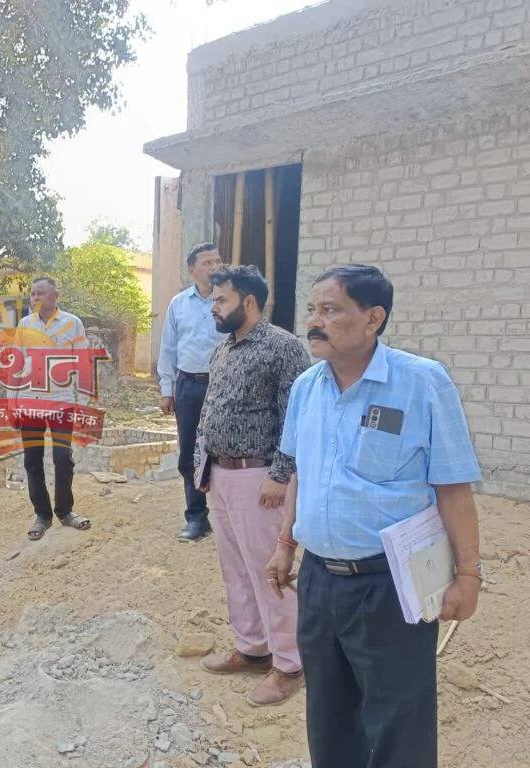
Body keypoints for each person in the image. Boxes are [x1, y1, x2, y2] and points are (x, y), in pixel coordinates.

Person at [267, 264, 482, 767]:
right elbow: (301, 472)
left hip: (391, 583)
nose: (314, 321)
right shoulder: (306, 387)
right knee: (329, 714)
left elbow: (452, 487)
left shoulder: (422, 383)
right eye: (312, 310)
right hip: (319, 581)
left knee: (399, 720)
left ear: (373, 317)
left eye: (330, 309)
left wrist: (468, 576)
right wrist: (284, 545)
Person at [195, 265, 311, 706]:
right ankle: (252, 647)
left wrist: (280, 476)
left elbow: (296, 419)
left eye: (221, 299)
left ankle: (290, 663)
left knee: (269, 573)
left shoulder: (282, 347)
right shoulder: (223, 350)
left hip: (259, 478)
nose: (213, 307)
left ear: (248, 302)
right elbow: (210, 411)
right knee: (237, 570)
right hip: (222, 475)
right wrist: (203, 468)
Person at [157, 243, 226, 541]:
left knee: (225, 451)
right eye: (207, 262)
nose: (214, 266)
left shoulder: (229, 299)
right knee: (189, 453)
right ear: (192, 270)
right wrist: (166, 389)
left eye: (217, 261)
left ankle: (227, 515)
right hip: (188, 385)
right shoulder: (179, 303)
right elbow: (168, 348)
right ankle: (197, 517)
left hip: (224, 384)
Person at [16, 277, 92, 541]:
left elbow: (83, 365)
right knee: (32, 460)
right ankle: (42, 515)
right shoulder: (24, 325)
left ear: (55, 296)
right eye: (32, 293)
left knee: (62, 458)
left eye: (40, 293)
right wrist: (12, 403)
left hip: (61, 402)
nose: (35, 298)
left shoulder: (73, 323)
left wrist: (83, 404)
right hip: (29, 403)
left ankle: (65, 511)